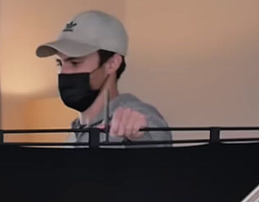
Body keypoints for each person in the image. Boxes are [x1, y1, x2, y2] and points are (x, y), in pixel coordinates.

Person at [37, 9, 171, 144]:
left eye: (75, 63)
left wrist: (140, 137)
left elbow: (161, 152)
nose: (63, 72)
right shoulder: (76, 132)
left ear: (112, 64)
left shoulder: (136, 117)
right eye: (59, 63)